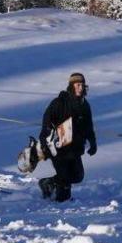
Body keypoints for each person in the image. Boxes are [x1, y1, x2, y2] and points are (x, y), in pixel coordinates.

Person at [38, 72, 97, 202]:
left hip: (75, 147)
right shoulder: (60, 102)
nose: (80, 88)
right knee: (64, 178)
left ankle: (48, 182)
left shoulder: (84, 105)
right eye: (77, 85)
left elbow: (88, 126)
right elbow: (47, 121)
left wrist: (93, 143)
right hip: (58, 145)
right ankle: (61, 204)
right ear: (71, 86)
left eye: (82, 85)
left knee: (77, 176)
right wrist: (46, 139)